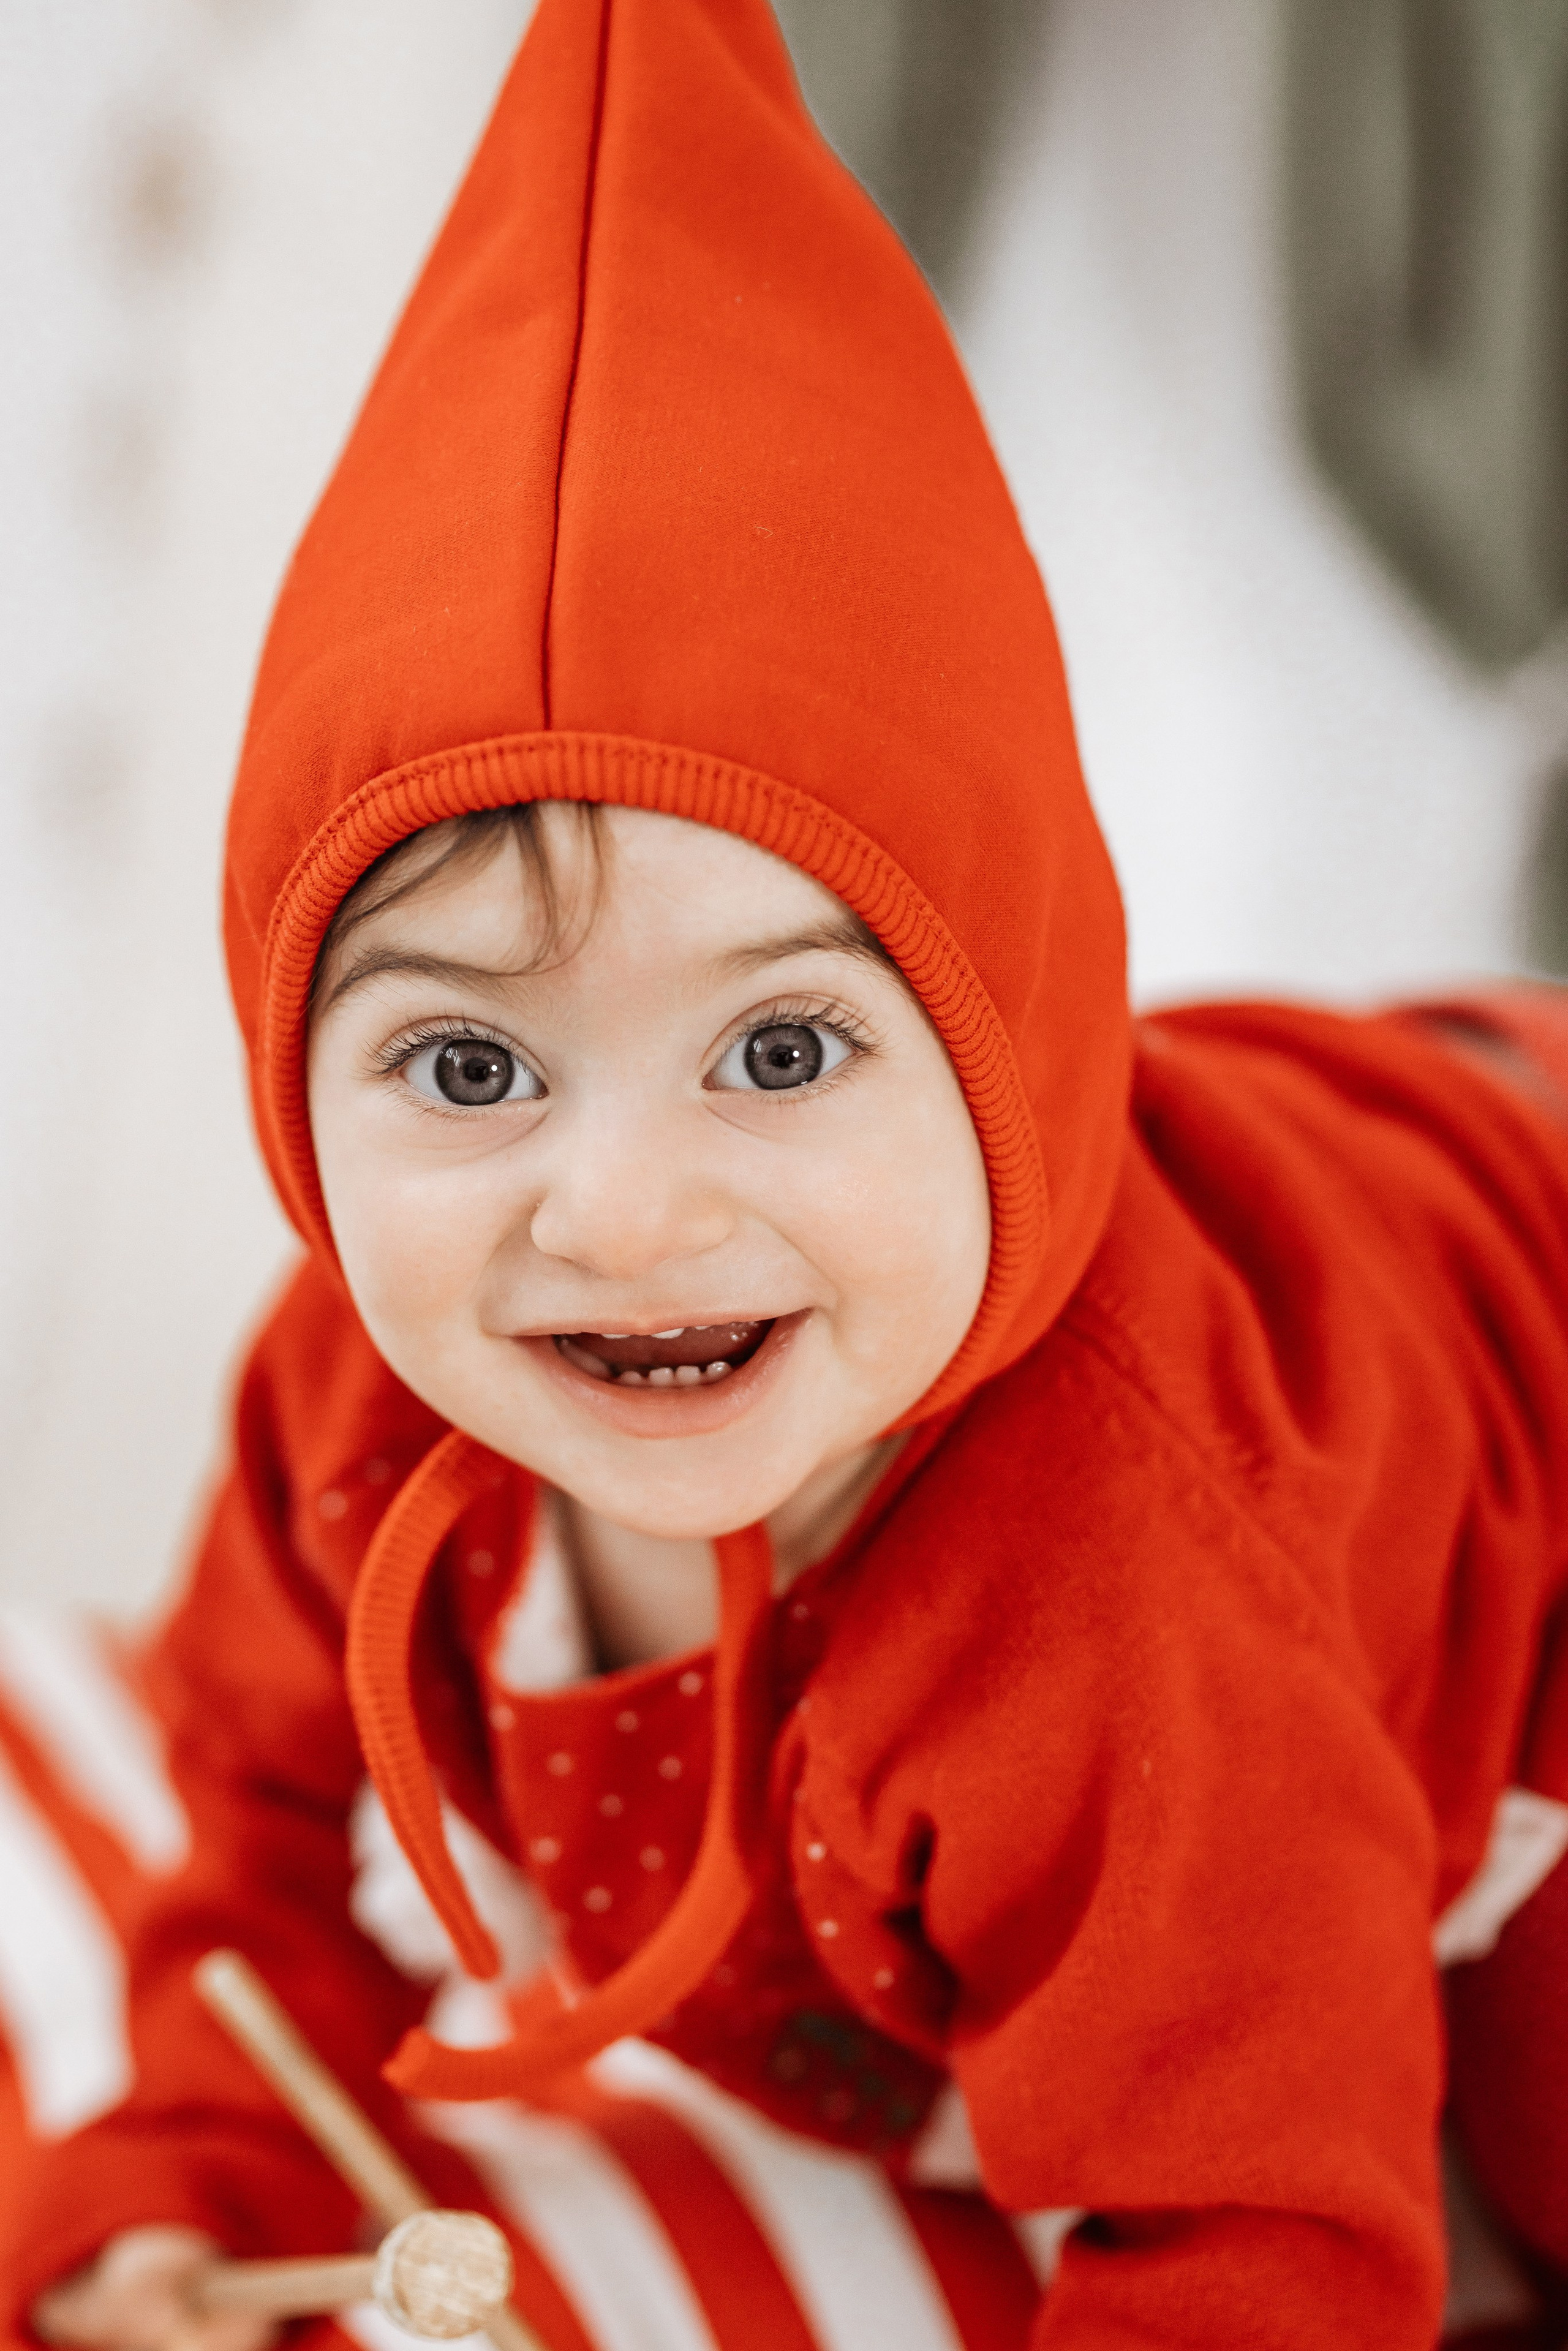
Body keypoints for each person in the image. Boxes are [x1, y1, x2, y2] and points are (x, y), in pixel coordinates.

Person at [10, 2, 1568, 2345]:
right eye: (461, 1064)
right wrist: (185, 2179)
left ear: (1012, 1045)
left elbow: (1258, 2244)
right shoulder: (346, 1403)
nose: (621, 1217)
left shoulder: (1126, 1585)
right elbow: (246, 1830)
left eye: (782, 1044)